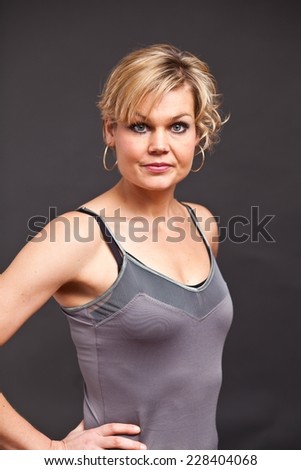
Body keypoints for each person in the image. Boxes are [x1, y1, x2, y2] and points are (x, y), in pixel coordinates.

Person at [0, 43, 233, 450]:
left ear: (199, 131)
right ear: (111, 130)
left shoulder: (202, 223)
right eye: (139, 126)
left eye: (177, 126)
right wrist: (49, 452)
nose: (159, 145)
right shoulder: (78, 237)